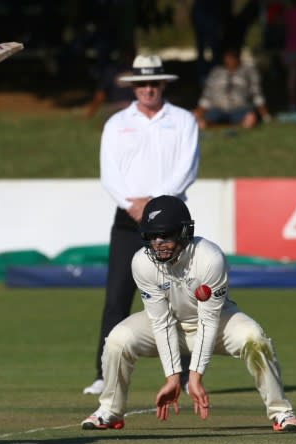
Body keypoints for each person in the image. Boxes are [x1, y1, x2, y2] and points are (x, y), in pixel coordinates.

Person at [80, 195, 296, 433]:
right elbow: (161, 321)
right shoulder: (142, 262)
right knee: (118, 339)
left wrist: (195, 376)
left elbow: (209, 321)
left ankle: (281, 412)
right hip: (170, 325)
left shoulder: (209, 258)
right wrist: (173, 377)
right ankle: (110, 411)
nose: (158, 243)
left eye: (165, 235)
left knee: (254, 338)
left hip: (216, 323)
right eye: (151, 236)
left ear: (184, 232)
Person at [83, 55, 198, 396]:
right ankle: (106, 374)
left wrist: (157, 205)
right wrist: (133, 204)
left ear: (163, 84)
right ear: (134, 87)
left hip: (172, 219)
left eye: (155, 83)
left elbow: (187, 168)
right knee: (117, 296)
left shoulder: (183, 120)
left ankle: (188, 374)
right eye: (142, 84)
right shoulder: (117, 123)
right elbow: (110, 172)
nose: (148, 89)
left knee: (181, 296)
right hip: (128, 217)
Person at [193, 46, 271, 130]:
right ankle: (217, 125)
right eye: (228, 58)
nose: (230, 60)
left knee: (250, 118)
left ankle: (234, 125)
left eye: (233, 58)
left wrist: (265, 115)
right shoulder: (216, 72)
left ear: (238, 58)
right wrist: (198, 113)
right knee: (200, 120)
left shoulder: (249, 72)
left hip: (240, 109)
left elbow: (256, 94)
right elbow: (206, 96)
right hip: (217, 109)